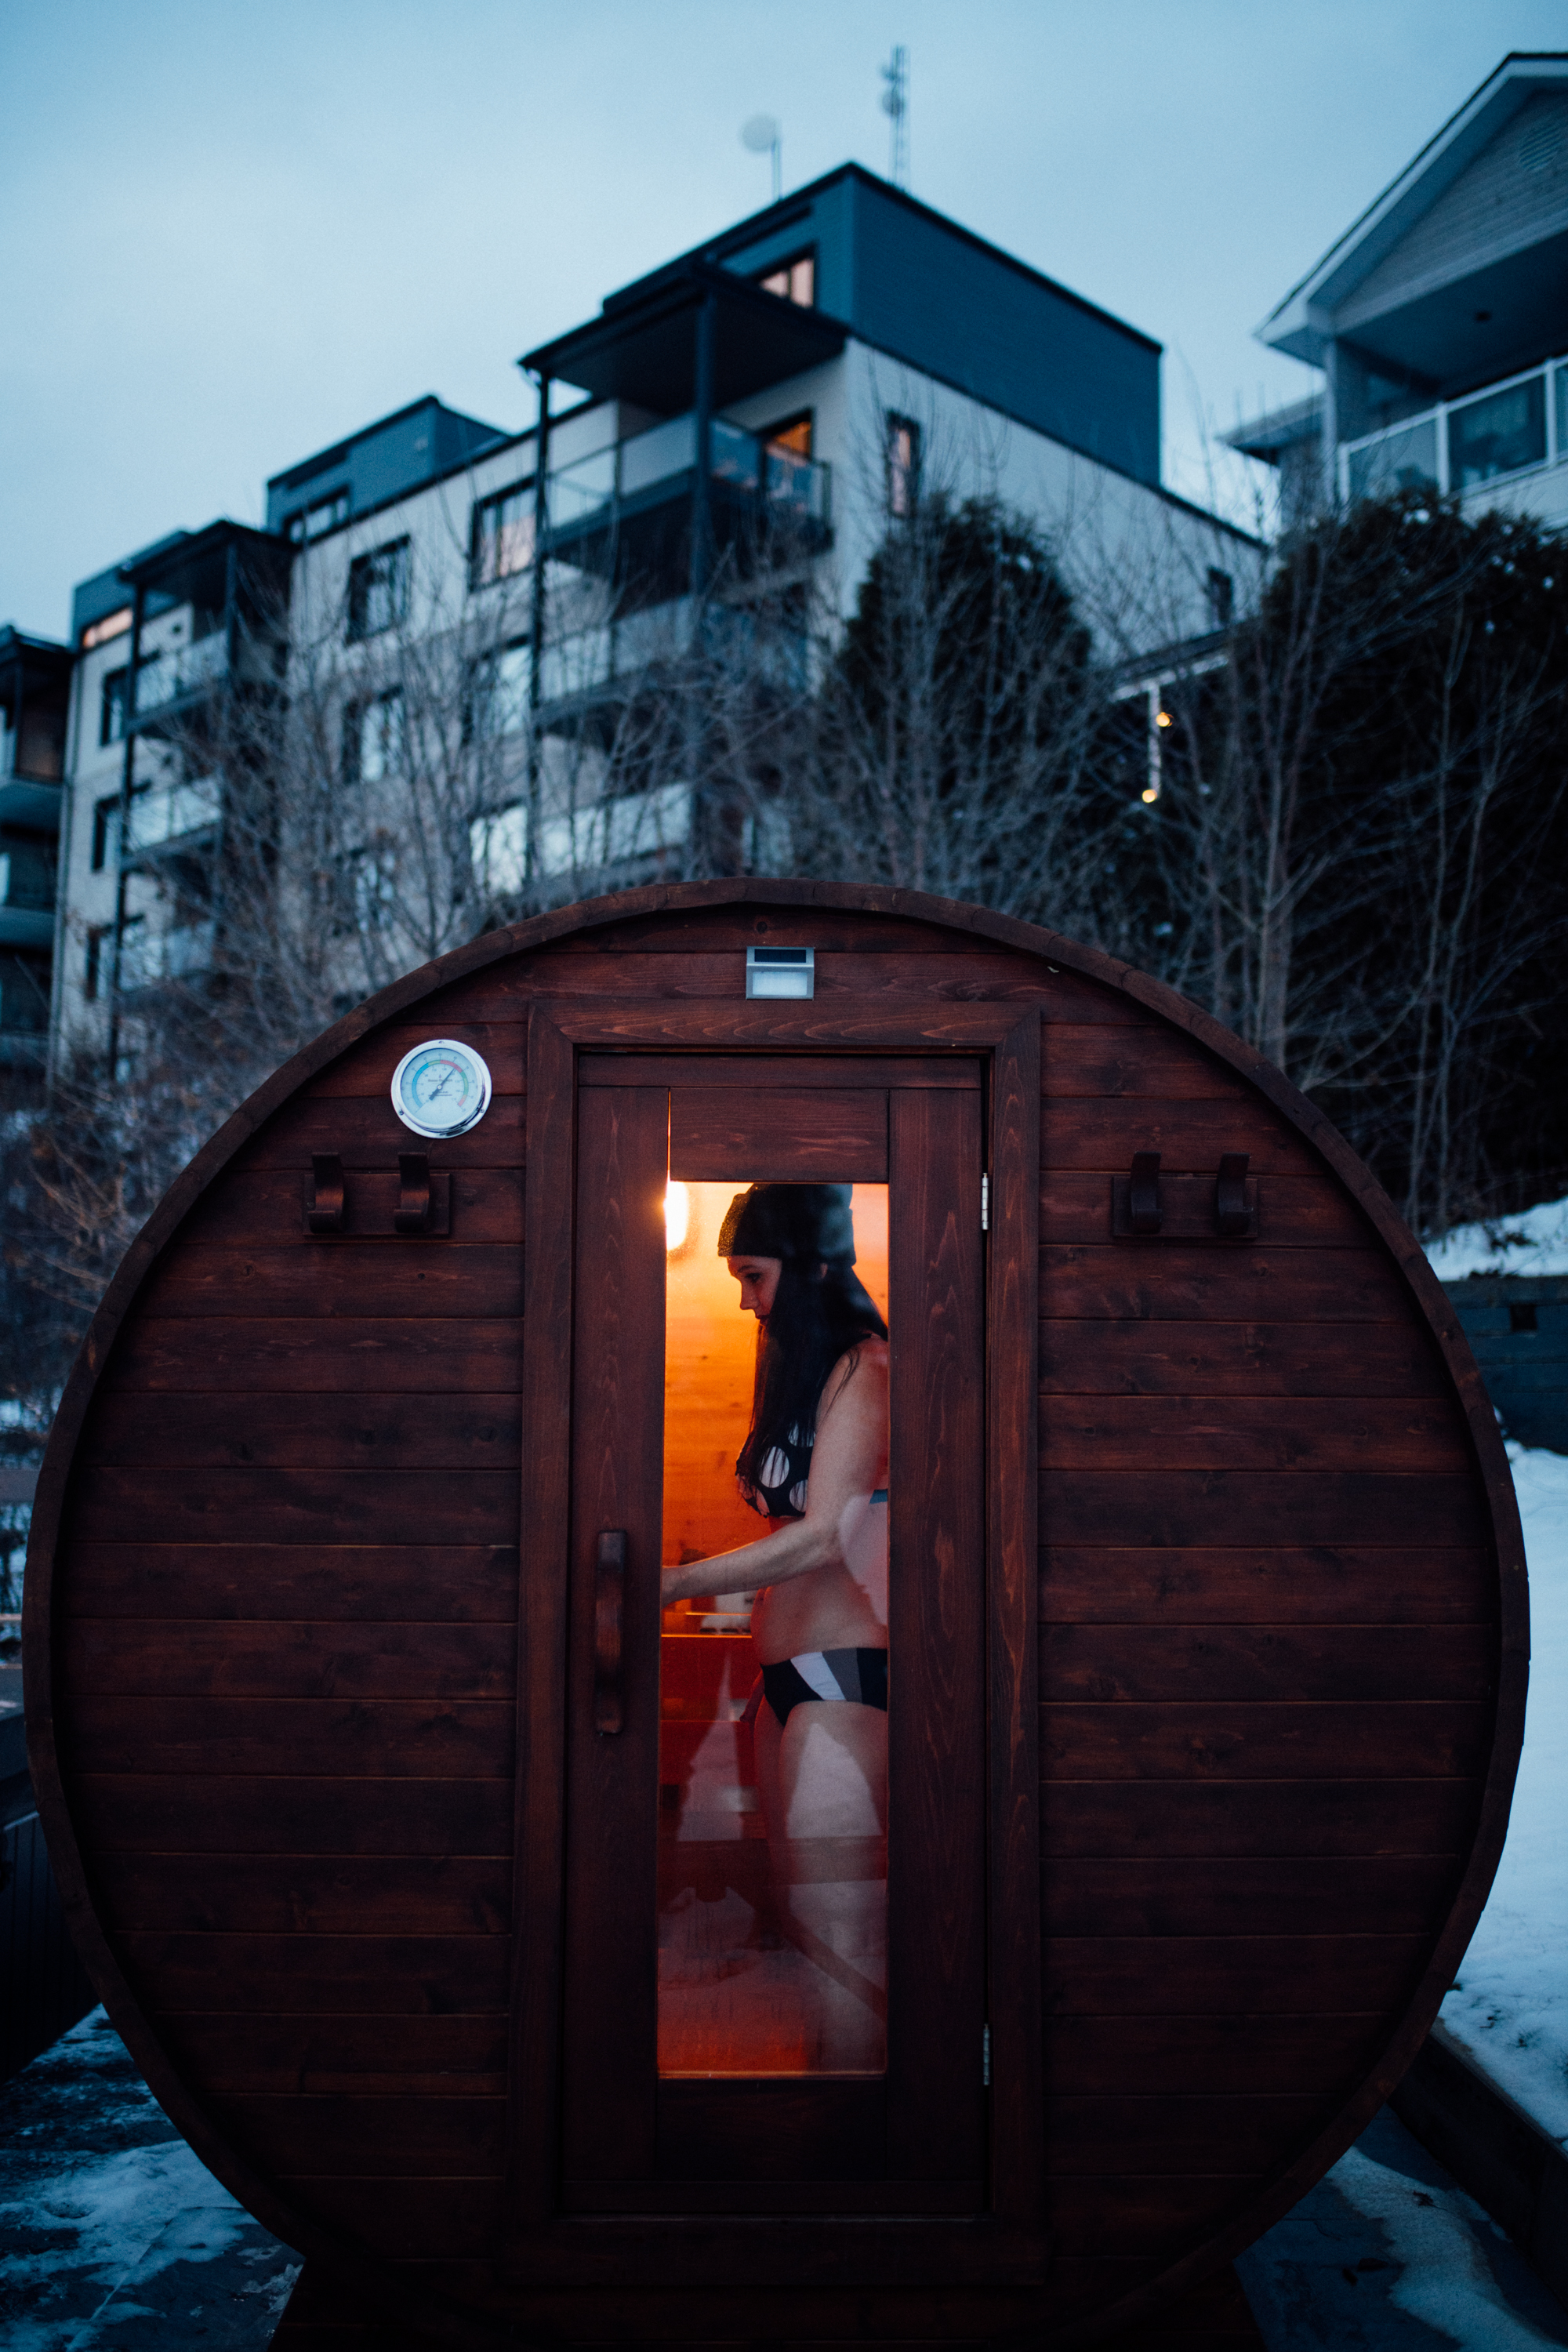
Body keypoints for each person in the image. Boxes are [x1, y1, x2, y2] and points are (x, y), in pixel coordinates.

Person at [660, 1184, 890, 2070]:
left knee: (846, 1935)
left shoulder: (865, 1369)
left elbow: (828, 1533)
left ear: (810, 1266)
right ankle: (825, 2128)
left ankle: (864, 2163)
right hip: (789, 1682)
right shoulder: (803, 1370)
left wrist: (673, 1581)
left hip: (844, 1677)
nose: (745, 1299)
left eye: (753, 1276)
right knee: (807, 1928)